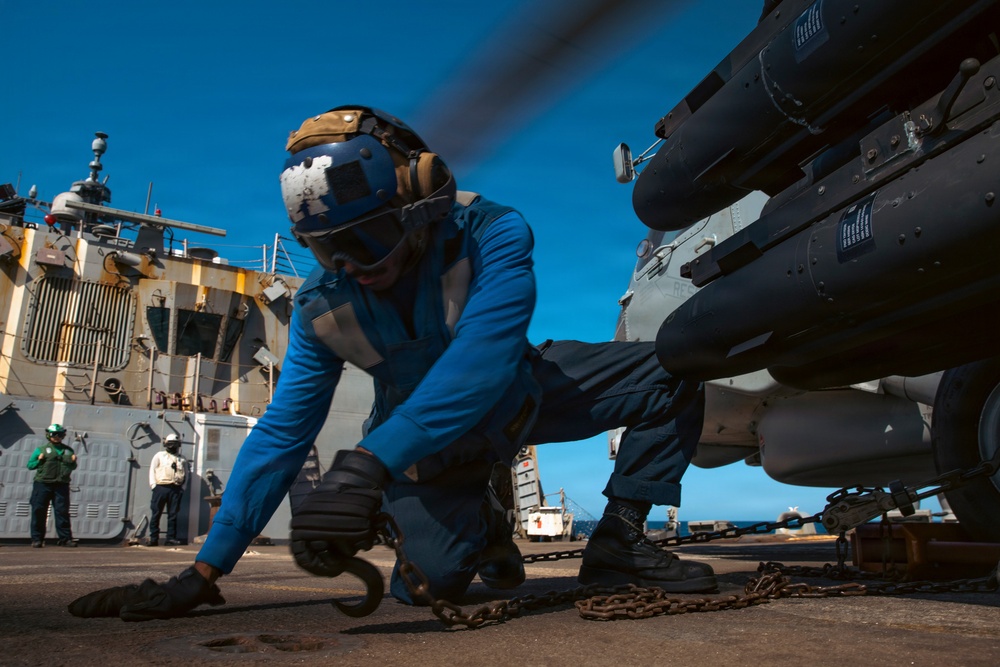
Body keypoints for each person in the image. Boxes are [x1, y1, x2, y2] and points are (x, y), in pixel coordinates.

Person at [68, 106, 715, 621]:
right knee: (429, 586)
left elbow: (483, 362)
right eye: (328, 252)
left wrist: (366, 466)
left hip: (526, 393)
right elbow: (284, 432)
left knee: (674, 367)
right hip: (431, 455)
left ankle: (619, 540)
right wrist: (203, 572)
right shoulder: (324, 305)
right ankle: (480, 520)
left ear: (421, 199)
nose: (353, 270)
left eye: (365, 241)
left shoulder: (492, 234)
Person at [27, 423, 77, 548]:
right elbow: (30, 465)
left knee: (62, 512)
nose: (56, 437)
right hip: (43, 484)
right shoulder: (41, 449)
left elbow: (72, 467)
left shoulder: (68, 450)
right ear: (48, 435)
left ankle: (65, 539)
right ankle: (37, 539)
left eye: (59, 435)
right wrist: (39, 460)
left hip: (61, 485)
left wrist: (73, 462)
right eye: (54, 434)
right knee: (39, 511)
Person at [148, 434, 187, 547]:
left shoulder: (182, 459)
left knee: (173, 514)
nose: (172, 446)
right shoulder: (159, 456)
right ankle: (153, 538)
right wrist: (153, 485)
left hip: (175, 489)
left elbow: (186, 474)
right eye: (170, 444)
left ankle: (170, 538)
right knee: (156, 513)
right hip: (161, 487)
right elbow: (152, 470)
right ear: (166, 444)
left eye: (175, 444)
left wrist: (183, 488)